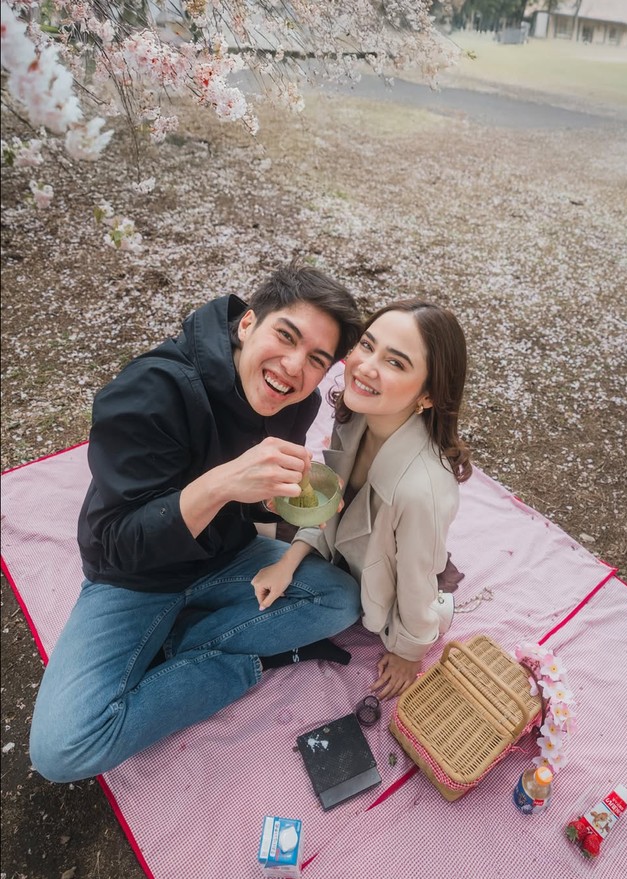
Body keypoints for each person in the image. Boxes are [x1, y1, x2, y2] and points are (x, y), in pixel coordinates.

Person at [29, 263, 363, 782]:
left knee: (341, 599)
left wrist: (273, 502)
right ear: (248, 323)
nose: (293, 368)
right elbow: (116, 546)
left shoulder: (297, 401)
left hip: (226, 555)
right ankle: (229, 661)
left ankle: (180, 644)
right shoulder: (150, 392)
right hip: (134, 578)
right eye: (285, 336)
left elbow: (253, 505)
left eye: (316, 359)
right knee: (62, 751)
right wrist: (223, 484)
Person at [251, 299, 472, 700]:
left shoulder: (422, 491)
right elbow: (332, 503)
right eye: (367, 346)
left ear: (428, 396)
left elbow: (414, 584)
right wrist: (288, 561)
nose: (366, 367)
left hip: (383, 576)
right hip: (339, 547)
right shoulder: (355, 414)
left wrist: (409, 651)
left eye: (396, 363)